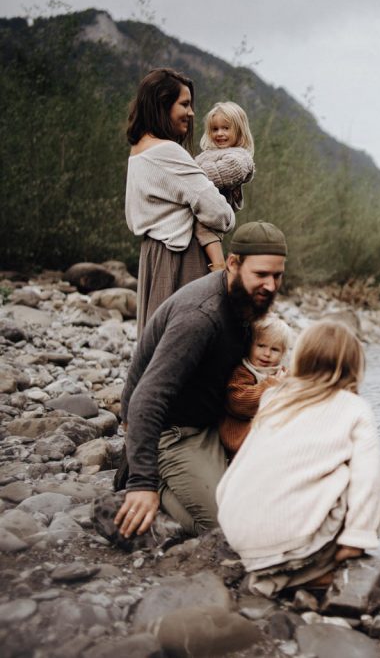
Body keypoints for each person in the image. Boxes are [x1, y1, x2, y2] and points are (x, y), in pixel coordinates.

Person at [114, 221, 287, 539]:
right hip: (173, 434)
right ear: (233, 263)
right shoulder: (201, 315)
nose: (271, 286)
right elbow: (147, 396)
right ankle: (153, 483)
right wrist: (142, 482)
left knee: (276, 503)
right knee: (232, 530)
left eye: (277, 276)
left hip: (214, 424)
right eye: (261, 274)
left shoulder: (243, 299)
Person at [216, 320, 380, 597]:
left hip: (237, 530)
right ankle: (314, 571)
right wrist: (356, 539)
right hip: (289, 540)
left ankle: (272, 570)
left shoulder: (273, 396)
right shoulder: (355, 408)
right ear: (354, 367)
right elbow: (368, 479)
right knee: (367, 486)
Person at [125, 67, 236, 337]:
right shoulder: (168, 152)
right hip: (180, 257)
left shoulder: (139, 151)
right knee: (187, 343)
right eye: (184, 104)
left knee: (159, 343)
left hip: (153, 254)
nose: (191, 112)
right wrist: (231, 217)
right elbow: (218, 213)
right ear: (162, 104)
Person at [219, 315, 294, 459]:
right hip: (241, 440)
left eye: (275, 349)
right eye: (261, 346)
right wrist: (270, 385)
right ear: (250, 346)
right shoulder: (243, 372)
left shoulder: (283, 374)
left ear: (283, 353)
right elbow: (238, 402)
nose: (267, 354)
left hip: (271, 436)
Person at [194, 101, 256, 272]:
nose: (219, 133)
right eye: (215, 129)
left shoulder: (240, 157)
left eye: (225, 128)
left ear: (239, 130)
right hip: (197, 205)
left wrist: (189, 173)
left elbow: (223, 173)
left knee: (206, 229)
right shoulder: (206, 154)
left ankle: (219, 263)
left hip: (214, 209)